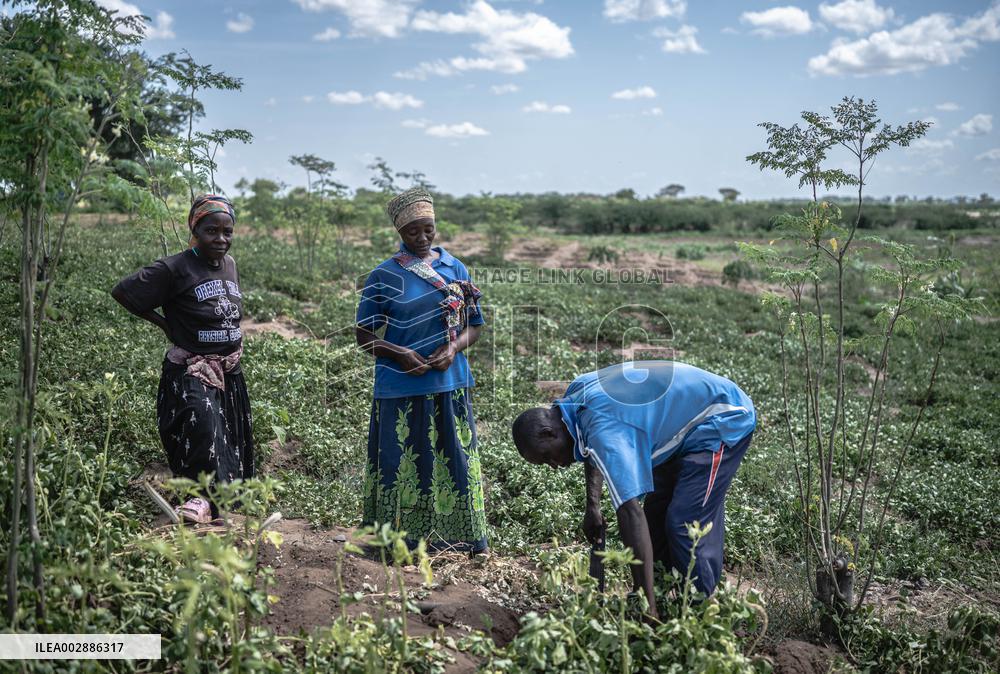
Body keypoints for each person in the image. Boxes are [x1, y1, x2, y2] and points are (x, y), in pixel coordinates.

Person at [512, 360, 756, 618]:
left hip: (722, 418)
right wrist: (592, 505)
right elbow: (590, 446)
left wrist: (644, 602)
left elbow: (630, 512)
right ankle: (664, 597)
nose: (553, 465)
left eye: (547, 457)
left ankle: (702, 613)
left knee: (686, 523)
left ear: (550, 433)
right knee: (656, 517)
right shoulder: (575, 398)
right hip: (674, 425)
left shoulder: (605, 430)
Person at [355, 187, 488, 554]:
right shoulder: (383, 275)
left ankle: (459, 542)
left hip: (449, 381)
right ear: (400, 232)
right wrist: (399, 353)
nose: (422, 237)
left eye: (428, 228)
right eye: (413, 231)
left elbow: (474, 325)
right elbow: (363, 336)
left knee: (454, 460)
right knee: (402, 465)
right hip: (400, 386)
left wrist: (452, 348)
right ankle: (397, 543)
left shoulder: (455, 268)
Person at [111, 194, 254, 524]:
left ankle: (220, 502)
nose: (220, 239)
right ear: (195, 229)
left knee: (225, 434)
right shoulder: (174, 267)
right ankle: (199, 500)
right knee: (201, 430)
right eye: (211, 231)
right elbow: (123, 291)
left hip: (228, 369)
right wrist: (165, 324)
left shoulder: (229, 265)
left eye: (227, 232)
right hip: (192, 367)